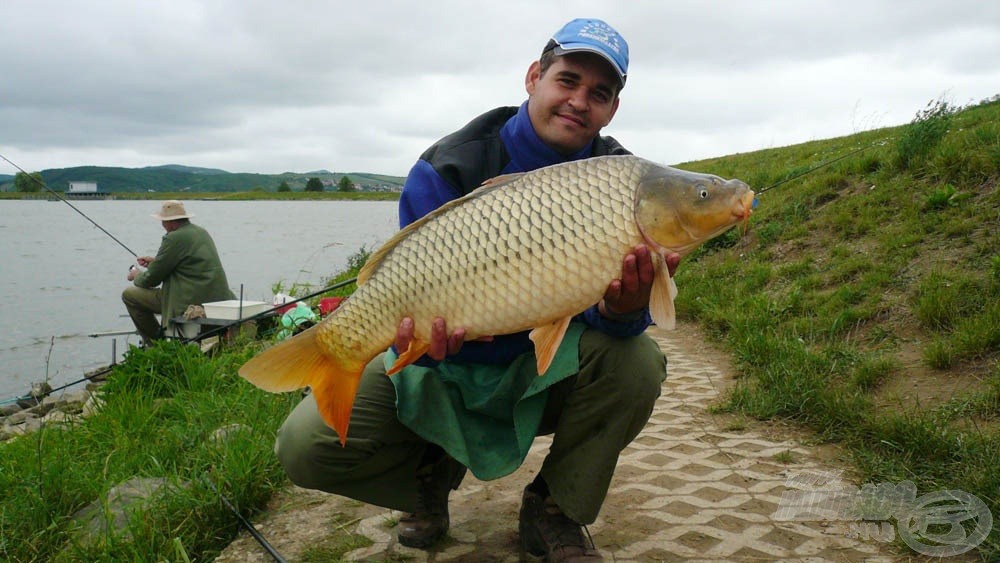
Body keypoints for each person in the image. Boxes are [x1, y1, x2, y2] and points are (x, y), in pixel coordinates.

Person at [274, 18, 679, 562]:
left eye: (599, 93)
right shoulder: (450, 163)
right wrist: (419, 342)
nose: (580, 101)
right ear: (534, 77)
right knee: (306, 449)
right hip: (447, 363)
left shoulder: (626, 180)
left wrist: (625, 310)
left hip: (539, 367)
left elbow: (615, 321)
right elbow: (408, 299)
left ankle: (554, 506)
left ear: (611, 110)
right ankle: (426, 478)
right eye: (567, 80)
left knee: (638, 363)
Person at [122, 200, 235, 344]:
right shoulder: (200, 232)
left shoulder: (173, 238)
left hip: (188, 302)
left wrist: (136, 275)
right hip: (214, 297)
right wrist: (155, 262)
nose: (162, 225)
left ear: (171, 222)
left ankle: (156, 344)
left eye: (163, 221)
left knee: (129, 295)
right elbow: (188, 264)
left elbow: (150, 280)